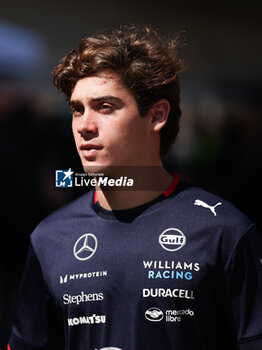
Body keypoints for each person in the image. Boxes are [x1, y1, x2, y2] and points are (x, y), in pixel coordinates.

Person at [8, 24, 262, 350]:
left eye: (105, 107)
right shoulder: (49, 237)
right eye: (77, 109)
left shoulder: (225, 231)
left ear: (157, 115)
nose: (84, 125)